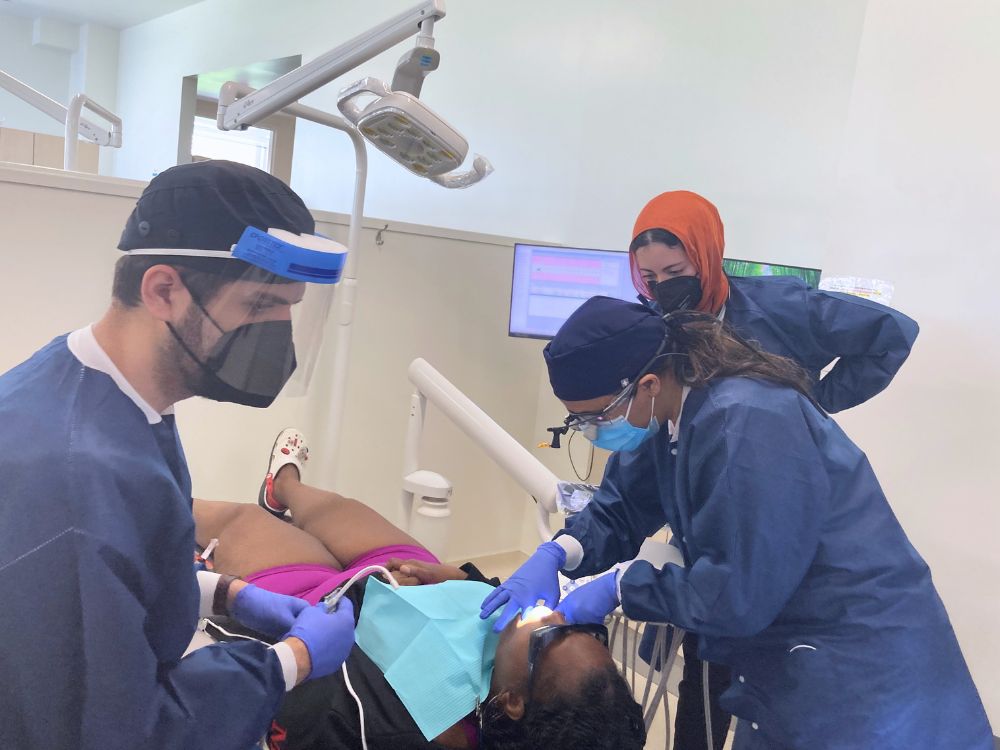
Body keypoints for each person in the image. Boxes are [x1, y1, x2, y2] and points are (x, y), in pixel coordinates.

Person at [483, 296, 993, 749]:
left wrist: (621, 586)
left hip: (860, 664)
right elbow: (621, 507)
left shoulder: (748, 423)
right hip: (783, 661)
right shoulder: (664, 417)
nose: (592, 431)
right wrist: (560, 551)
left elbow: (738, 593)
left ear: (648, 384)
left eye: (595, 417)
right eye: (579, 422)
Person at [0, 161, 356, 749]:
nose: (278, 337)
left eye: (290, 309)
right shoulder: (73, 474)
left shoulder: (101, 387)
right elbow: (115, 731)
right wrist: (290, 661)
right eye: (259, 304)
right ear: (163, 290)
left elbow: (113, 575)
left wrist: (223, 592)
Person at [625, 189, 921, 748]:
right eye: (649, 277)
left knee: (777, 682)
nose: (663, 288)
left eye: (676, 272)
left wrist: (813, 404)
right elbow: (654, 441)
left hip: (779, 517)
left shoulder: (780, 307)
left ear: (707, 255)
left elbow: (891, 335)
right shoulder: (660, 328)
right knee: (705, 676)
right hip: (710, 525)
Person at [191, 428, 646, 750]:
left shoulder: (397, 732)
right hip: (413, 582)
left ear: (511, 702)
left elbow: (303, 689)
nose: (559, 613)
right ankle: (284, 487)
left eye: (553, 634)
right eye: (585, 628)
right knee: (338, 511)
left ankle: (162, 500)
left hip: (317, 608)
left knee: (241, 522)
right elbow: (506, 617)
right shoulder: (518, 670)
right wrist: (459, 579)